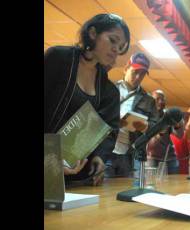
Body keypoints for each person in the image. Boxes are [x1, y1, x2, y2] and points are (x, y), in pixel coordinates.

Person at [44, 13, 131, 186]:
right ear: (92, 33)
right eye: (113, 40)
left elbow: (109, 128)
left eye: (120, 47)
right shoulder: (58, 58)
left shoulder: (109, 90)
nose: (116, 50)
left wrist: (99, 156)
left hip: (77, 175)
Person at [105, 52, 160, 178]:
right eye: (135, 72)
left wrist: (146, 126)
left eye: (142, 74)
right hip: (106, 152)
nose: (138, 77)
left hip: (130, 156)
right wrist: (113, 121)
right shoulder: (108, 89)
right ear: (126, 68)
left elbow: (157, 126)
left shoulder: (149, 100)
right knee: (103, 190)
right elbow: (94, 117)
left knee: (125, 191)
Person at [146, 90, 184, 174]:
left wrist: (178, 122)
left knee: (172, 185)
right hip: (151, 158)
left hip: (169, 158)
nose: (160, 101)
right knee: (152, 184)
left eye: (163, 99)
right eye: (157, 99)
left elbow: (180, 135)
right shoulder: (146, 115)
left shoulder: (168, 115)